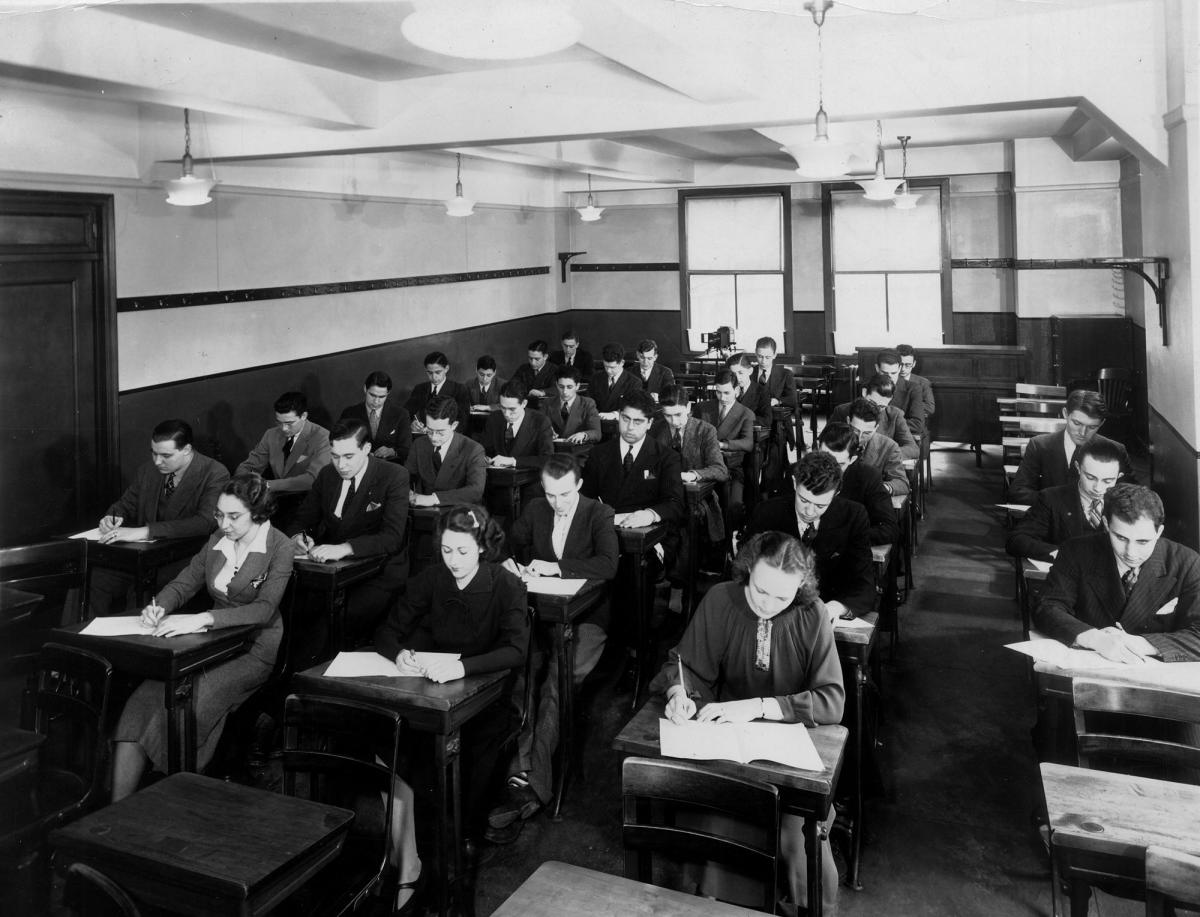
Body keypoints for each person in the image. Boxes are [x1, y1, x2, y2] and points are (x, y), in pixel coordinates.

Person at [652, 531, 844, 915]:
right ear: (746, 570)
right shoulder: (722, 598)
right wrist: (680, 695)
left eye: (782, 596)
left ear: (801, 589)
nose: (768, 604)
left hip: (788, 763)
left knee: (798, 843)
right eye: (760, 590)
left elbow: (831, 701)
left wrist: (758, 706)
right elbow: (685, 667)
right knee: (719, 826)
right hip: (727, 753)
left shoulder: (813, 614)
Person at [373, 505, 529, 913]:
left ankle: (447, 878)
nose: (454, 561)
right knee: (405, 759)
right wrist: (400, 653)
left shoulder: (506, 585)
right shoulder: (433, 578)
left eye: (462, 551)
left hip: (488, 703)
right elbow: (387, 631)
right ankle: (422, 870)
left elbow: (516, 650)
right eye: (446, 551)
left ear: (482, 546)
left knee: (459, 789)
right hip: (436, 701)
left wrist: (462, 665)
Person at [110, 472, 292, 800]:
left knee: (190, 706)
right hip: (211, 643)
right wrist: (158, 606)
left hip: (254, 648)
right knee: (143, 701)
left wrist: (204, 618)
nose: (224, 523)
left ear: (258, 512)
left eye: (234, 516)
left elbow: (264, 610)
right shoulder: (216, 541)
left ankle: (172, 805)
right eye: (219, 514)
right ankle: (114, 814)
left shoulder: (279, 545)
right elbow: (186, 581)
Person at [488, 455, 619, 842]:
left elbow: (608, 564)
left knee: (556, 685)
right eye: (549, 495)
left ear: (578, 486)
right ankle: (514, 769)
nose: (557, 503)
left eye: (564, 495)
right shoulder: (535, 507)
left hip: (589, 618)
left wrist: (556, 567)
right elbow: (509, 540)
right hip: (544, 613)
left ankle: (531, 781)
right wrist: (510, 561)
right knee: (521, 676)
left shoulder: (599, 513)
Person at [1033, 484, 1200, 663]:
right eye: (1120, 538)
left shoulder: (1187, 563)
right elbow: (1047, 607)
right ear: (1106, 525)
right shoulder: (1076, 551)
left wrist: (1139, 643)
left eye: (1143, 541)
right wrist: (1094, 638)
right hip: (1088, 664)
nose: (1131, 552)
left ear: (1159, 532)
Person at [287, 418, 410, 653]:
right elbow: (301, 519)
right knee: (294, 610)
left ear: (366, 449)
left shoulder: (394, 475)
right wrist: (298, 537)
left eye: (348, 457)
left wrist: (345, 548)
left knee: (334, 621)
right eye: (335, 456)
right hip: (334, 571)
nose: (340, 465)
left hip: (379, 572)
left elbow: (392, 538)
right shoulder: (327, 475)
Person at [88, 419, 230, 616]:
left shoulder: (214, 473)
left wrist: (143, 531)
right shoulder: (148, 471)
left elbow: (205, 522)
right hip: (145, 555)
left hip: (185, 557)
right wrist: (112, 517)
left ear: (187, 449)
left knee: (142, 587)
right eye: (154, 453)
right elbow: (125, 504)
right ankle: (74, 642)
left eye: (166, 455)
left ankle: (132, 645)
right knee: (94, 578)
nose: (157, 461)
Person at [746, 451, 876, 620]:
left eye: (820, 505)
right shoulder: (766, 513)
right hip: (773, 612)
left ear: (836, 493)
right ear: (794, 483)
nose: (809, 511)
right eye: (804, 500)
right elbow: (746, 573)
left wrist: (834, 609)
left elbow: (864, 585)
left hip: (827, 611)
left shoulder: (854, 516)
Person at [655, 384, 728, 611]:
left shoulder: (705, 430)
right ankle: (663, 579)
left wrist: (694, 474)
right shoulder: (656, 430)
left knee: (686, 523)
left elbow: (720, 470)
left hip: (698, 501)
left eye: (678, 414)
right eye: (667, 416)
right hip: (664, 499)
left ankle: (678, 585)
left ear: (689, 407)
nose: (674, 421)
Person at [1008, 388, 1134, 505]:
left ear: (1102, 423)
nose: (1082, 433)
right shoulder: (1040, 445)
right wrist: (1057, 503)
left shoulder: (1117, 450)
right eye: (1077, 423)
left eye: (1092, 427)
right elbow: (1018, 491)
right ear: (1065, 414)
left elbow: (1131, 495)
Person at [1006, 439, 1124, 562]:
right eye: (1090, 477)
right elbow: (1017, 540)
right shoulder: (1052, 499)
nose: (1098, 488)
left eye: (1108, 481)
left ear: (1119, 476)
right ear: (1078, 468)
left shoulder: (1124, 503)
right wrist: (1061, 553)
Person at [582, 390, 685, 530]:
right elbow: (585, 499)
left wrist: (650, 515)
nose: (630, 427)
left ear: (649, 423)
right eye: (625, 419)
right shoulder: (598, 453)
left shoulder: (667, 457)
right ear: (618, 416)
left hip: (649, 533)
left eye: (638, 421)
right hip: (605, 529)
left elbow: (675, 503)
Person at [236, 391, 330, 528]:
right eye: (279, 422)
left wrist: (267, 485)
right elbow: (248, 465)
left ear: (304, 416)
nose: (284, 429)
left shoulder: (322, 437)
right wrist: (246, 481)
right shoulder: (271, 434)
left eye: (289, 423)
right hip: (276, 503)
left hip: (308, 504)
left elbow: (312, 480)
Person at [818, 422, 898, 547]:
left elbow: (889, 529)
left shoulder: (868, 477)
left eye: (839, 464)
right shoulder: (798, 472)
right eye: (824, 459)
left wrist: (843, 537)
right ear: (816, 450)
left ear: (852, 459)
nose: (830, 468)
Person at [405, 394, 488, 507]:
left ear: (454, 425)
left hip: (459, 515)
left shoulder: (473, 449)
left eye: (440, 432)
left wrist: (434, 499)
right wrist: (407, 492)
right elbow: (406, 478)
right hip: (424, 514)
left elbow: (475, 491)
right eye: (429, 430)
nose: (433, 437)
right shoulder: (419, 444)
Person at [700, 370, 757, 531]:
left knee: (733, 507)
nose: (722, 397)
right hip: (704, 467)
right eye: (718, 392)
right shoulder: (702, 408)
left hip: (731, 469)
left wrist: (722, 445)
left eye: (727, 393)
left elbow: (748, 444)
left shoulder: (746, 413)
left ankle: (728, 545)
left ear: (737, 391)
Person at [828, 374, 918, 460]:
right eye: (872, 403)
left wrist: (884, 455)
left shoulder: (895, 415)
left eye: (882, 407)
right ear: (864, 392)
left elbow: (913, 449)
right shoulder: (842, 411)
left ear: (890, 400)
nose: (876, 410)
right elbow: (822, 443)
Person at [339, 370, 413, 464]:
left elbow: (407, 449)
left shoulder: (401, 414)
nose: (376, 401)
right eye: (372, 395)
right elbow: (340, 444)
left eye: (381, 397)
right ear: (365, 389)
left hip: (390, 468)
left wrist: (392, 451)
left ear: (388, 393)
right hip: (358, 465)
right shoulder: (349, 414)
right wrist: (361, 453)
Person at [478, 380, 554, 469]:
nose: (506, 414)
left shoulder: (540, 421)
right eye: (503, 408)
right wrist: (485, 458)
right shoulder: (494, 418)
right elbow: (485, 449)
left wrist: (513, 461)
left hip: (527, 479)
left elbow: (547, 459)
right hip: (497, 477)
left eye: (512, 409)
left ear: (524, 403)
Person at [845, 398, 909, 496]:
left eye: (867, 433)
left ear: (876, 428)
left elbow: (902, 483)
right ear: (848, 421)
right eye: (855, 430)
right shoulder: (832, 439)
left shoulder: (889, 447)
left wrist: (880, 488)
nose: (859, 438)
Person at [404, 351, 471, 432]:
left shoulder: (459, 389)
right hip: (423, 437)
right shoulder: (420, 389)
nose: (434, 377)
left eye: (438, 372)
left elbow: (463, 421)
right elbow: (405, 414)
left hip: (447, 437)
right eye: (429, 373)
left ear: (446, 369)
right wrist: (412, 423)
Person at [540, 364, 601, 447]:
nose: (565, 392)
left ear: (577, 386)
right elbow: (538, 426)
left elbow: (597, 433)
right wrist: (546, 430)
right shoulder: (548, 402)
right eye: (561, 387)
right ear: (556, 385)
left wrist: (584, 435)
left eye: (569, 387)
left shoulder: (588, 403)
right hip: (554, 451)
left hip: (579, 452)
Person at [875, 349, 926, 439]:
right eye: (885, 373)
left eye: (893, 373)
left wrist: (884, 428)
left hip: (899, 440)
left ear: (899, 368)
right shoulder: (867, 387)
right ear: (877, 368)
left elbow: (917, 424)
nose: (889, 377)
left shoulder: (914, 389)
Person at [591, 342, 640, 419]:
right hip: (596, 422)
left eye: (612, 367)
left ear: (622, 363)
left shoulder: (634, 382)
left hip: (619, 425)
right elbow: (588, 402)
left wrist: (615, 414)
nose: (609, 371)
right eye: (606, 366)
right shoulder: (596, 378)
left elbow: (633, 408)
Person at [896, 344, 935, 425]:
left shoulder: (923, 382)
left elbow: (930, 408)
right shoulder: (890, 379)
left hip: (913, 424)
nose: (903, 369)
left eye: (908, 365)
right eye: (900, 364)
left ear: (914, 364)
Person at [729, 353, 771, 427]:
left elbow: (766, 420)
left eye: (741, 373)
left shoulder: (761, 391)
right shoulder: (727, 390)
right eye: (733, 374)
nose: (738, 378)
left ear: (750, 371)